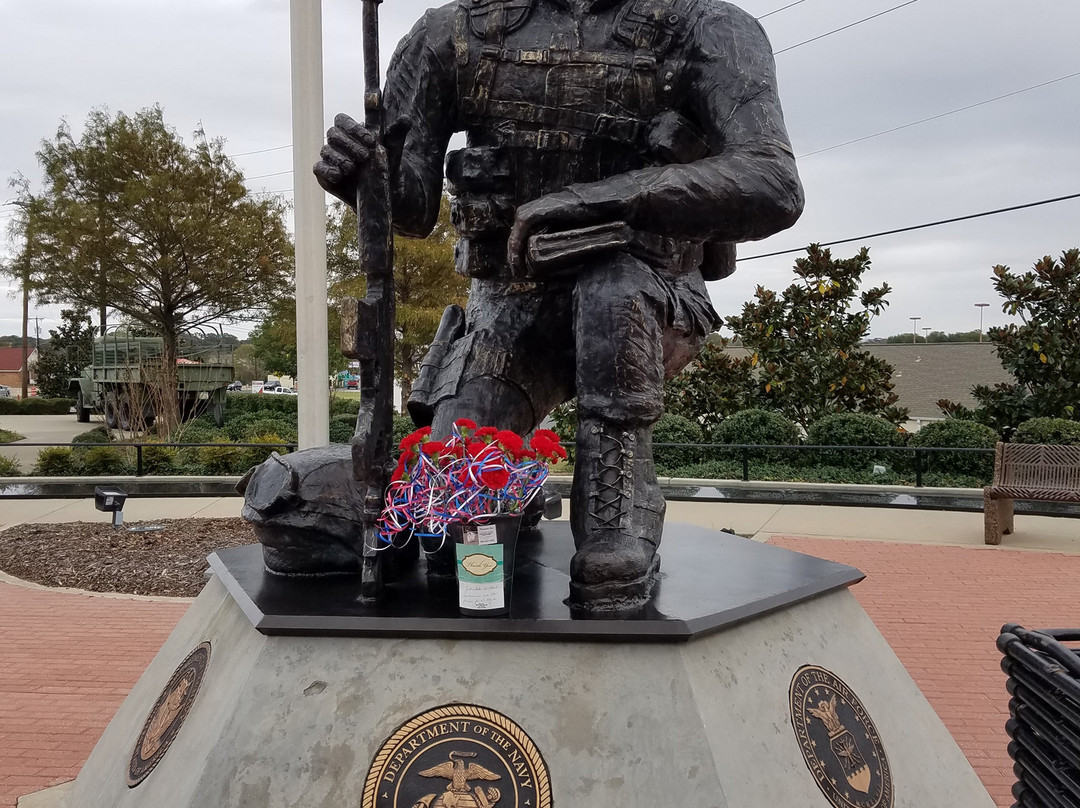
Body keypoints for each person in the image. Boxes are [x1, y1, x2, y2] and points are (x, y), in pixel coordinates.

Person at [315, 0, 803, 608]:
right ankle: (516, 499)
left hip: (647, 298)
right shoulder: (452, 34)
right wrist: (364, 178)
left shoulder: (706, 28)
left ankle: (617, 503)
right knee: (449, 546)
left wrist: (594, 200)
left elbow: (774, 182)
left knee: (610, 288)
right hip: (509, 308)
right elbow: (411, 210)